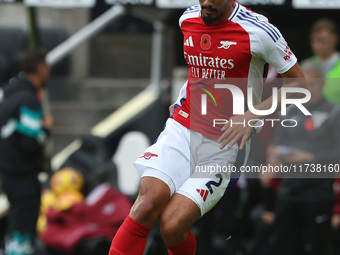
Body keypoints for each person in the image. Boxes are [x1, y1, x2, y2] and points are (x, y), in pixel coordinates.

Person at [109, 1, 306, 254]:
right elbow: (200, 69)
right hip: (182, 129)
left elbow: (300, 85)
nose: (206, 3)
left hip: (224, 145)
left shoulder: (259, 31)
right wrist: (183, 97)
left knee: (172, 226)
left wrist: (252, 115)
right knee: (146, 204)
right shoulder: (187, 19)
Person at [265, 60, 340, 255]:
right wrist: (274, 156)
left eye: (313, 84)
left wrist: (311, 156)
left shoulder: (334, 112)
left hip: (318, 193)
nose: (308, 89)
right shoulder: (289, 111)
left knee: (319, 248)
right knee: (284, 247)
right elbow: (276, 145)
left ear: (323, 83)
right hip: (288, 192)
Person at [0, 48, 53, 255]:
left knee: (16, 225)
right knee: (22, 228)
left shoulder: (11, 94)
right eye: (47, 67)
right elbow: (31, 142)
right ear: (40, 69)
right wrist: (46, 129)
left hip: (11, 173)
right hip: (22, 176)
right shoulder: (28, 99)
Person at [308, 18, 340, 105]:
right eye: (313, 41)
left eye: (322, 41)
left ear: (335, 39)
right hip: (311, 117)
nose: (317, 46)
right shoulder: (305, 66)